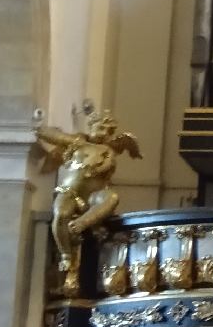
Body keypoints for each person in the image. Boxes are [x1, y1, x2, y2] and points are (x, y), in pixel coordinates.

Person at [35, 108, 140, 294]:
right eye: (100, 128)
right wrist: (36, 126)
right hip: (70, 191)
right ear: (90, 126)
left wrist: (105, 165)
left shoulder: (108, 151)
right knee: (61, 214)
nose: (104, 134)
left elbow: (106, 167)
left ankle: (82, 223)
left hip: (93, 195)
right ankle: (66, 255)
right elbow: (54, 136)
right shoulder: (77, 142)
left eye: (109, 131)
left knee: (112, 198)